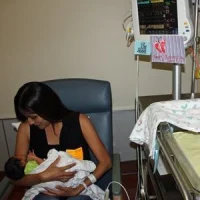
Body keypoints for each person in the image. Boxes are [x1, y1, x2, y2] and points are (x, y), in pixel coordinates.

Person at [13, 81, 112, 200]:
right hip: (44, 191)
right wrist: (43, 176)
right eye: (26, 117)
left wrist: (78, 189)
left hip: (79, 189)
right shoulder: (26, 129)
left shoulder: (80, 121)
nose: (29, 122)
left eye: (34, 117)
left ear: (47, 108)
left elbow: (106, 162)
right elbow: (16, 179)